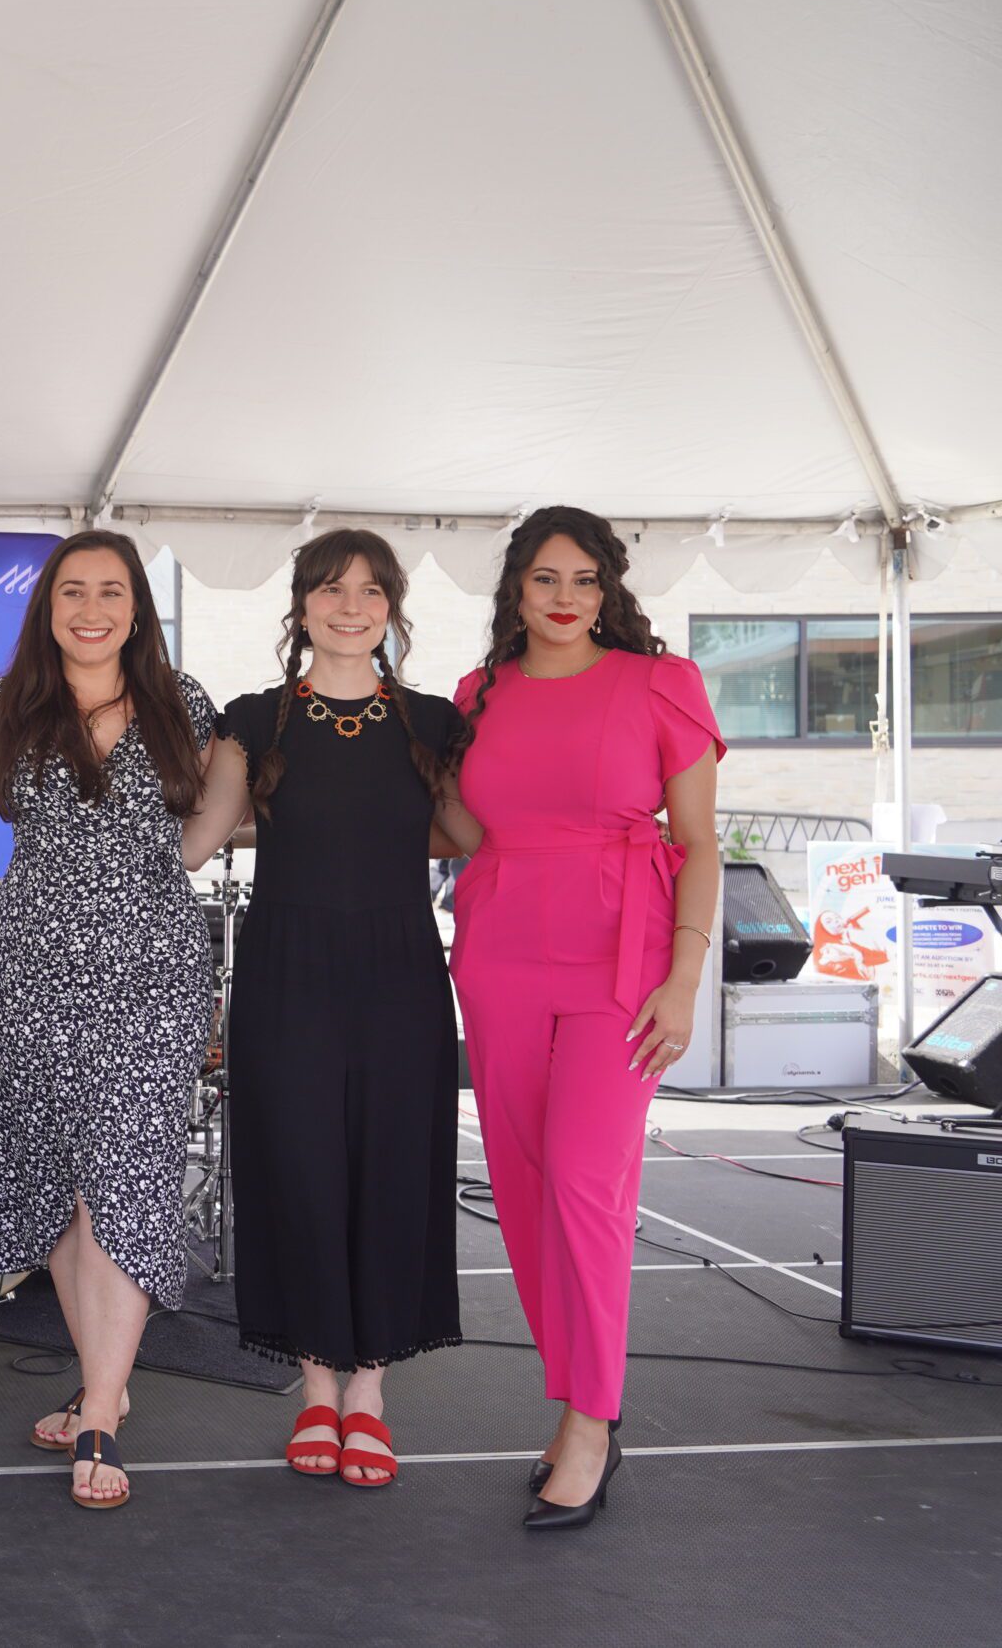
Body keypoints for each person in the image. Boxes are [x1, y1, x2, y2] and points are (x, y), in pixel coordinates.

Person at [440, 505, 722, 1531]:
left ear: (609, 592)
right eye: (545, 579)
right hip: (500, 948)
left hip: (622, 957)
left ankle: (594, 1418)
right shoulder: (476, 696)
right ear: (515, 589)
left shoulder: (659, 685)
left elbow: (699, 843)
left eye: (584, 580)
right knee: (519, 1185)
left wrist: (684, 979)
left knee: (581, 1181)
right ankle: (572, 1398)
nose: (564, 598)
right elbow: (463, 824)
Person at [0, 529, 216, 1510]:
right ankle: (105, 1383)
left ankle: (98, 1410)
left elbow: (218, 823)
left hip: (151, 972)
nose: (90, 608)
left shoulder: (183, 705)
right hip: (35, 972)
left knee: (128, 1179)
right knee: (62, 1180)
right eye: (71, 592)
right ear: (47, 606)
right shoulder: (5, 705)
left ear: (135, 605)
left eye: (109, 590)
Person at [184, 529, 464, 1488]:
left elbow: (479, 831)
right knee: (299, 1170)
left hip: (400, 970)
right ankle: (315, 1388)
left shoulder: (432, 722)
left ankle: (370, 1396)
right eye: (332, 589)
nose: (352, 606)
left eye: (371, 590)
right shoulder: (254, 720)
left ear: (392, 606)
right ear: (300, 605)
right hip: (286, 969)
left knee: (389, 1169)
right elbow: (195, 842)